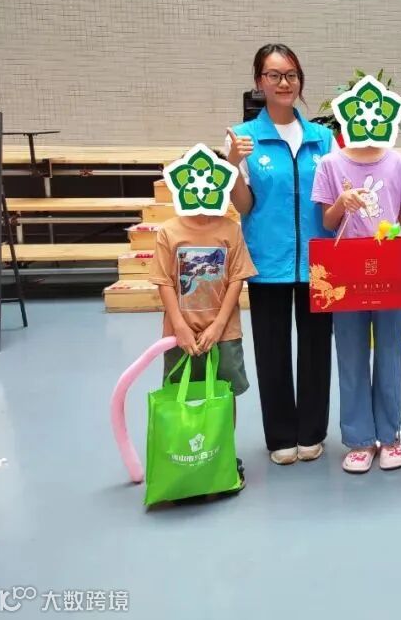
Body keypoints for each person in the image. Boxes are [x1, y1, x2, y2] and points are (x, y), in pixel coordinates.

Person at [226, 44, 336, 466]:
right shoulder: (243, 138)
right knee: (272, 353)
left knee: (315, 351)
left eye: (290, 74)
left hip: (318, 261)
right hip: (267, 261)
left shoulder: (323, 139)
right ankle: (280, 436)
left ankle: (311, 432)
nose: (284, 82)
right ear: (260, 82)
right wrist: (232, 165)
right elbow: (244, 205)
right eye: (274, 75)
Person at [312, 141, 401, 473]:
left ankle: (390, 435)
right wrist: (341, 203)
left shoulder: (399, 162)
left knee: (390, 353)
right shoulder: (330, 164)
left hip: (392, 270)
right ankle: (359, 440)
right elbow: (327, 223)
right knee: (351, 354)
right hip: (345, 272)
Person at [150, 199, 256, 486]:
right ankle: (185, 458)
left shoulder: (231, 229)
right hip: (180, 334)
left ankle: (223, 456)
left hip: (224, 332)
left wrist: (219, 325)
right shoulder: (169, 231)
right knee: (181, 394)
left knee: (224, 394)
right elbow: (164, 281)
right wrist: (180, 326)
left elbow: (236, 279)